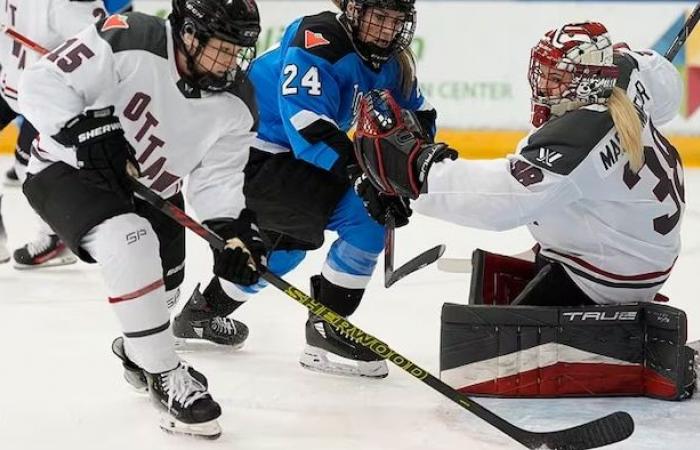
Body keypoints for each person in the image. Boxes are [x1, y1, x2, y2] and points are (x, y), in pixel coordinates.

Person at [353, 22, 695, 399]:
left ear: (586, 82)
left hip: (607, 276)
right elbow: (666, 84)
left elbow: (502, 200)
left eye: (556, 78)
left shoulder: (580, 137)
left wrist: (418, 172)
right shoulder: (627, 74)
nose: (543, 86)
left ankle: (618, 352)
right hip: (636, 250)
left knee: (484, 360)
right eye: (544, 74)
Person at [18, 0, 263, 437]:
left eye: (238, 50)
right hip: (68, 168)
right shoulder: (130, 36)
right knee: (130, 240)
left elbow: (217, 178)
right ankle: (166, 375)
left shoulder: (237, 102)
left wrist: (230, 232)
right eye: (221, 48)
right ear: (188, 33)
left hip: (153, 189)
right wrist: (84, 133)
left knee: (164, 295)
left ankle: (141, 352)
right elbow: (40, 83)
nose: (230, 62)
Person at [173, 0, 436, 379]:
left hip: (284, 159)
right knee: (355, 216)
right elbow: (308, 126)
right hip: (243, 156)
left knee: (284, 247)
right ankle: (327, 328)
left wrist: (412, 166)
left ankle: (203, 313)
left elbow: (421, 114)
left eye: (395, 21)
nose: (387, 29)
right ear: (354, 11)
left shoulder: (392, 63)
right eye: (379, 17)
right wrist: (368, 178)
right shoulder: (318, 39)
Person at [0, 0, 119, 268]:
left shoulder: (68, 4)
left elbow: (104, 46)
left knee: (27, 167)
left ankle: (54, 238)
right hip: (10, 82)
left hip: (45, 95)